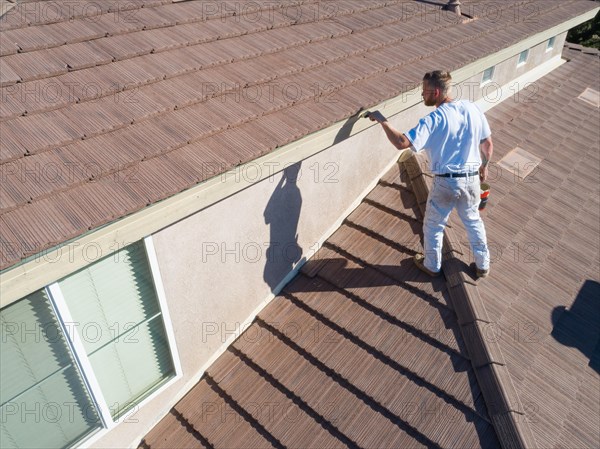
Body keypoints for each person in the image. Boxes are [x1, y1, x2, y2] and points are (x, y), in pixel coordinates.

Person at [368, 70, 493, 278]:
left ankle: (432, 265)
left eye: (424, 92)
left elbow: (402, 143)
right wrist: (484, 166)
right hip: (471, 179)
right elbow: (487, 144)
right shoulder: (472, 108)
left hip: (447, 182)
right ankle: (482, 265)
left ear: (436, 92)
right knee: (473, 222)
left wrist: (383, 121)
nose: (422, 96)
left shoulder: (435, 119)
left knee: (434, 224)